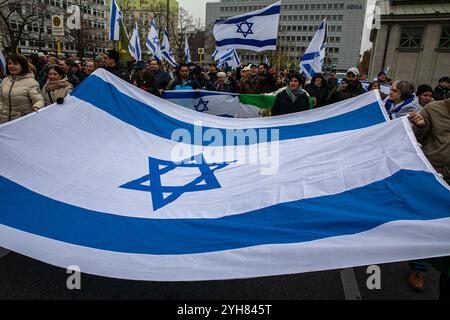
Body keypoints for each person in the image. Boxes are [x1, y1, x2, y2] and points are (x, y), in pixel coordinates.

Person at [408, 98, 450, 298]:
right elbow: (411, 138)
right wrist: (420, 126)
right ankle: (419, 268)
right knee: (426, 226)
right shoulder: (433, 109)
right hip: (433, 177)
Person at [0, 54, 44, 123]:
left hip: (21, 122)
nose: (11, 66)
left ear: (22, 66)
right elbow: (1, 99)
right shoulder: (5, 80)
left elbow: (39, 100)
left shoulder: (31, 82)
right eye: (9, 63)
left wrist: (36, 107)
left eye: (15, 64)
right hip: (3, 121)